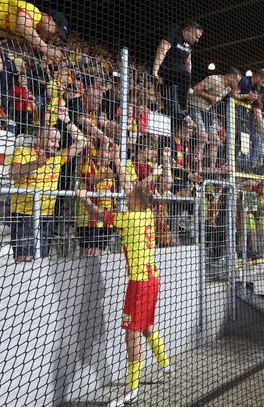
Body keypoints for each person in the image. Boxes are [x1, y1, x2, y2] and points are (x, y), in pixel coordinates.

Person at [76, 149, 172, 406]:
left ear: (135, 201)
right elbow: (132, 186)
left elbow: (98, 215)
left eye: (129, 195)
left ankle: (132, 391)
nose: (126, 194)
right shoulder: (147, 214)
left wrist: (85, 200)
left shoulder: (127, 219)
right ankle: (165, 365)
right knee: (147, 327)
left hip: (139, 284)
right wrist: (118, 161)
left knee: (132, 334)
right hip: (153, 279)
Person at [9, 107, 87, 262]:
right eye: (53, 140)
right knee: (25, 261)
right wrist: (36, 163)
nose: (57, 145)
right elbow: (13, 172)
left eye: (58, 141)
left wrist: (67, 120)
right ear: (39, 138)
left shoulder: (57, 157)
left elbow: (82, 141)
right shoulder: (22, 151)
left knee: (42, 261)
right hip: (24, 216)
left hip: (47, 217)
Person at [0, 1, 68, 102]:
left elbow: (9, 46)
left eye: (57, 35)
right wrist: (46, 49)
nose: (54, 36)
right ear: (49, 19)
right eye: (56, 30)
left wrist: (33, 53)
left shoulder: (33, 34)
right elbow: (22, 25)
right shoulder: (34, 12)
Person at [188, 67, 241, 172]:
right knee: (203, 136)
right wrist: (210, 97)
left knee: (216, 140)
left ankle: (212, 169)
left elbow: (231, 95)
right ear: (231, 77)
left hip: (207, 112)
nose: (237, 84)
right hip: (195, 106)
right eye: (237, 81)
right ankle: (196, 166)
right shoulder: (214, 79)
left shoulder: (228, 88)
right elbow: (195, 88)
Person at [152, 21, 203, 128]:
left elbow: (188, 63)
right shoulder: (175, 31)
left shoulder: (189, 45)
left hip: (177, 77)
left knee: (171, 109)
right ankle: (184, 112)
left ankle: (179, 122)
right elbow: (162, 48)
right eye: (197, 36)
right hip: (166, 70)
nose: (197, 40)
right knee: (184, 76)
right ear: (189, 30)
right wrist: (155, 72)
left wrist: (188, 85)